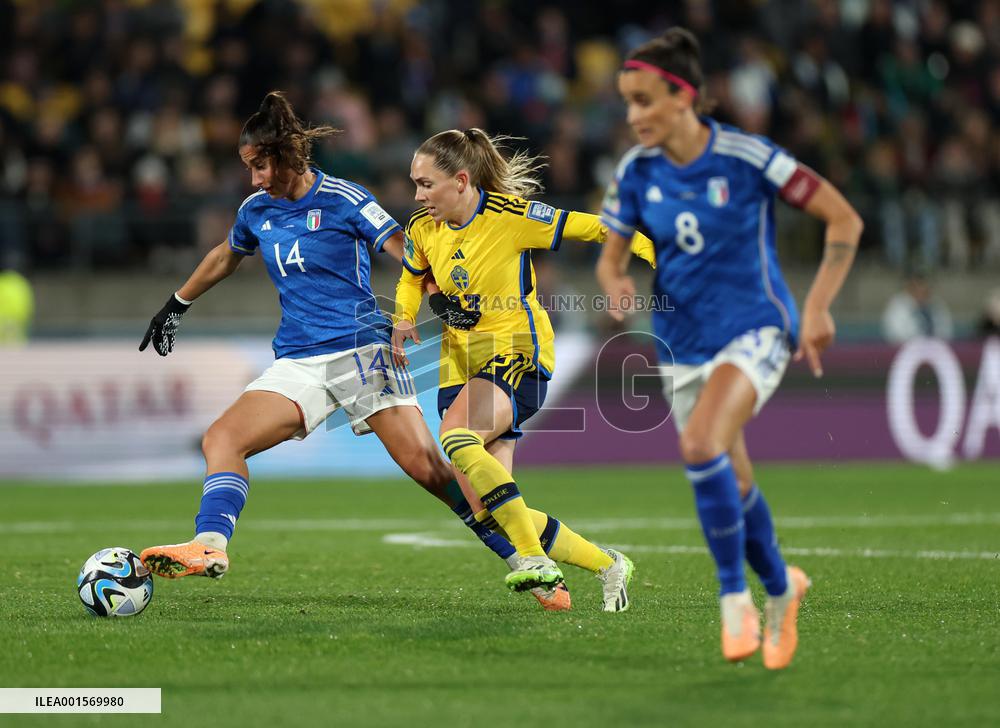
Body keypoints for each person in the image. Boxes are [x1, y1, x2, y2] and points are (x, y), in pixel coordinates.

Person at [136, 92, 578, 610]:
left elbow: (402, 248)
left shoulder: (343, 198)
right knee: (222, 439)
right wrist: (176, 304)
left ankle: (528, 562)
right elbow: (224, 257)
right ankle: (209, 546)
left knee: (432, 472)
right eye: (248, 168)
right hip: (298, 360)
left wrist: (434, 295)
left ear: (286, 157)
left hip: (361, 353)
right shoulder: (256, 210)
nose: (254, 179)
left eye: (260, 166)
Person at [596, 29, 863, 669]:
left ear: (683, 96)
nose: (632, 116)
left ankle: (733, 599)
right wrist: (617, 288)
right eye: (627, 103)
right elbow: (610, 263)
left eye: (643, 100)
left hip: (756, 328)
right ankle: (781, 588)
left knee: (697, 446)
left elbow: (843, 218)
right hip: (683, 345)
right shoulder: (635, 172)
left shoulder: (748, 157)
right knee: (732, 477)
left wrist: (819, 304)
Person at [392, 128, 656, 610]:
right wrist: (404, 318)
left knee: (455, 435)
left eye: (426, 184)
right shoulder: (421, 229)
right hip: (459, 365)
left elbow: (592, 226)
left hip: (516, 352)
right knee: (488, 511)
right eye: (415, 183)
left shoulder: (510, 217)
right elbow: (411, 278)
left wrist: (647, 251)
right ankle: (607, 563)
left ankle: (535, 559)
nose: (417, 194)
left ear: (461, 180)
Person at [881, 273, 954, 343]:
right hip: (907, 351)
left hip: (935, 350)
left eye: (925, 289)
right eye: (918, 288)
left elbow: (946, 331)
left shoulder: (937, 305)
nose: (922, 292)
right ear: (910, 288)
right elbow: (895, 335)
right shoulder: (897, 306)